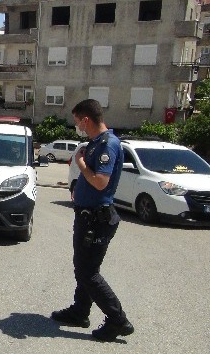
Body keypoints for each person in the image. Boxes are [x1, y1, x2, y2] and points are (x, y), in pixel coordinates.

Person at [51, 99, 134, 342]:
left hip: (98, 219)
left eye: (77, 122)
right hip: (87, 215)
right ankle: (80, 311)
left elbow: (100, 181)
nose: (77, 126)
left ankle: (118, 320)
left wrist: (81, 164)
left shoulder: (108, 144)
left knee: (89, 273)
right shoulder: (96, 143)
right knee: (82, 267)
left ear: (86, 119)